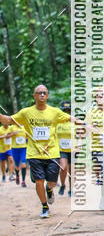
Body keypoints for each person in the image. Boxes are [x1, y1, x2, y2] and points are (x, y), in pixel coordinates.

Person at [0, 85, 72, 218]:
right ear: (34, 95)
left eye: (44, 93)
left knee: (51, 182)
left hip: (52, 153)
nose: (42, 95)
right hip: (34, 153)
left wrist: (85, 124)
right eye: (39, 93)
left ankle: (49, 189)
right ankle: (45, 206)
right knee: (39, 180)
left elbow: (70, 118)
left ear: (48, 95)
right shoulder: (26, 113)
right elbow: (8, 120)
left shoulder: (55, 112)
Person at [56, 101, 74, 197]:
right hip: (62, 149)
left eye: (68, 110)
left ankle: (71, 189)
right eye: (65, 111)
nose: (67, 112)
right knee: (63, 167)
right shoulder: (57, 123)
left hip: (73, 149)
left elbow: (81, 133)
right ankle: (63, 185)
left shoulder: (74, 122)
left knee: (72, 170)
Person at [9, 123, 27, 187]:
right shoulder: (12, 127)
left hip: (23, 148)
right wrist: (12, 134)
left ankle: (23, 181)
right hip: (15, 148)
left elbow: (28, 136)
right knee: (17, 165)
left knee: (23, 163)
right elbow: (7, 136)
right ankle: (17, 176)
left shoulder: (25, 127)